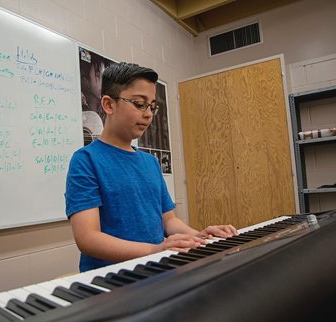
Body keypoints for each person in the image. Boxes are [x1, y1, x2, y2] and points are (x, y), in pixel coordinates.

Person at [65, 62, 237, 272]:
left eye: (152, 106)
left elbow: (169, 221)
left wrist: (197, 236)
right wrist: (155, 250)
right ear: (109, 105)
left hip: (156, 270)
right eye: (139, 104)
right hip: (111, 281)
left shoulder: (150, 162)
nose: (148, 114)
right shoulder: (86, 160)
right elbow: (88, 238)